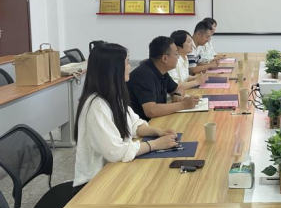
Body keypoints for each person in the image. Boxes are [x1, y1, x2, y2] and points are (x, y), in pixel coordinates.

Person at [73, 43, 180, 196]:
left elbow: (134, 124)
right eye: (127, 62)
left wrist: (158, 132)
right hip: (95, 183)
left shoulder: (113, 95)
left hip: (115, 170)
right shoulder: (96, 105)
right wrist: (155, 144)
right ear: (113, 69)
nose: (130, 67)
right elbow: (115, 152)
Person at [127, 36, 199, 121]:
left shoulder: (161, 71)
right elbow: (151, 111)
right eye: (176, 54)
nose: (178, 57)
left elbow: (178, 88)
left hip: (157, 120)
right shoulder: (144, 75)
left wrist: (177, 95)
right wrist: (183, 104)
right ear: (165, 58)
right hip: (142, 125)